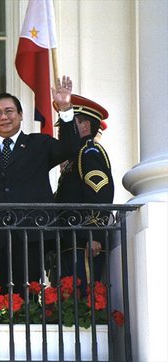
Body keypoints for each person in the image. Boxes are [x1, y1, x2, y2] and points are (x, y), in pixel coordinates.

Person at [0, 76, 80, 296]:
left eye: (9, 111)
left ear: (20, 115)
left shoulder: (39, 144)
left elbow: (71, 148)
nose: (4, 117)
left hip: (31, 234)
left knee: (30, 295)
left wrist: (65, 110)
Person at [53, 94, 114, 296]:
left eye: (67, 126)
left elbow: (100, 194)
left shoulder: (89, 152)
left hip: (84, 244)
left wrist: (93, 235)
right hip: (70, 242)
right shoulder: (74, 156)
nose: (61, 132)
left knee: (84, 304)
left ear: (85, 126)